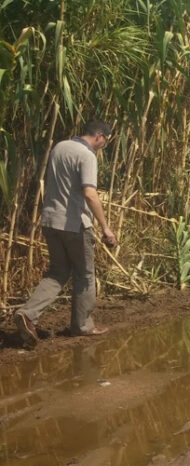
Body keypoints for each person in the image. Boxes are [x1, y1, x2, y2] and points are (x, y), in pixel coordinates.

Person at [14, 120, 119, 349]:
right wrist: (105, 227)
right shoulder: (87, 155)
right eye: (106, 142)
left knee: (58, 272)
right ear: (100, 136)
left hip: (50, 221)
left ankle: (27, 314)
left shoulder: (60, 147)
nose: (103, 147)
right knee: (85, 275)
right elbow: (90, 194)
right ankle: (82, 325)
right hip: (74, 225)